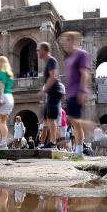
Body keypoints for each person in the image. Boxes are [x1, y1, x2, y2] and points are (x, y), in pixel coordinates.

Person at [61, 32, 93, 160]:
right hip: (70, 93)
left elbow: (85, 73)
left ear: (72, 41)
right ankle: (78, 151)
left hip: (77, 92)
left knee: (75, 122)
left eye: (66, 41)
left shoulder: (81, 54)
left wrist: (83, 90)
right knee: (75, 124)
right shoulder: (68, 59)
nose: (64, 44)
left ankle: (91, 127)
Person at [37, 42, 64, 148]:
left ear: (44, 50)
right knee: (48, 118)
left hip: (55, 91)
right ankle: (52, 141)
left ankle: (53, 142)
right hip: (52, 92)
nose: (37, 52)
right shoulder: (48, 62)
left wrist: (43, 91)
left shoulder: (51, 60)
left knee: (51, 118)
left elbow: (53, 76)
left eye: (38, 50)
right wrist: (44, 90)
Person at [0, 55, 15, 149]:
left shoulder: (1, 73)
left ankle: (7, 138)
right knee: (3, 122)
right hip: (10, 98)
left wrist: (0, 99)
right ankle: (3, 142)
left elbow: (1, 85)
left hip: (2, 97)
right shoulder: (9, 74)